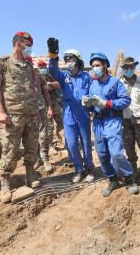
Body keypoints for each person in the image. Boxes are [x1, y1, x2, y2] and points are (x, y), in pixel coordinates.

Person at [0, 31, 41, 203]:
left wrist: (37, 110)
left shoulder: (29, 67)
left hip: (31, 114)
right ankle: (5, 184)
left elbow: (34, 89)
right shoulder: (2, 63)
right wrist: (1, 111)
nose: (30, 48)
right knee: (10, 149)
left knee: (32, 146)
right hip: (12, 115)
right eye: (28, 44)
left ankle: (29, 174)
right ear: (19, 43)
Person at [82, 52, 138, 196]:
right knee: (102, 154)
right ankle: (112, 179)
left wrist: (106, 103)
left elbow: (126, 101)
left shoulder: (115, 83)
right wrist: (86, 104)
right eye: (93, 66)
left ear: (105, 65)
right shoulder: (92, 84)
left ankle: (129, 178)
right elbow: (90, 106)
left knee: (116, 153)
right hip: (98, 122)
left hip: (112, 120)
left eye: (98, 65)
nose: (95, 68)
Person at [47, 39, 95, 183]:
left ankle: (89, 169)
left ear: (78, 60)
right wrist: (53, 55)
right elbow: (52, 70)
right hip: (68, 112)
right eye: (66, 59)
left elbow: (93, 93)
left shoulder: (86, 76)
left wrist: (91, 103)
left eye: (71, 58)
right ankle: (78, 170)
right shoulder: (63, 76)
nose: (68, 61)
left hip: (83, 112)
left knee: (86, 142)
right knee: (72, 144)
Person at [119, 56, 140, 181]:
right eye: (126, 67)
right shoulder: (118, 83)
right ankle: (133, 168)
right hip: (125, 121)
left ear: (134, 67)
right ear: (123, 69)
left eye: (131, 67)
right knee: (129, 147)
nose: (129, 69)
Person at [23, 57, 54, 173]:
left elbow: (46, 92)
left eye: (28, 62)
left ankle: (45, 159)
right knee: (31, 136)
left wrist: (50, 107)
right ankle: (38, 159)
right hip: (27, 111)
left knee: (44, 134)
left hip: (41, 108)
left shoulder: (38, 75)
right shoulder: (16, 76)